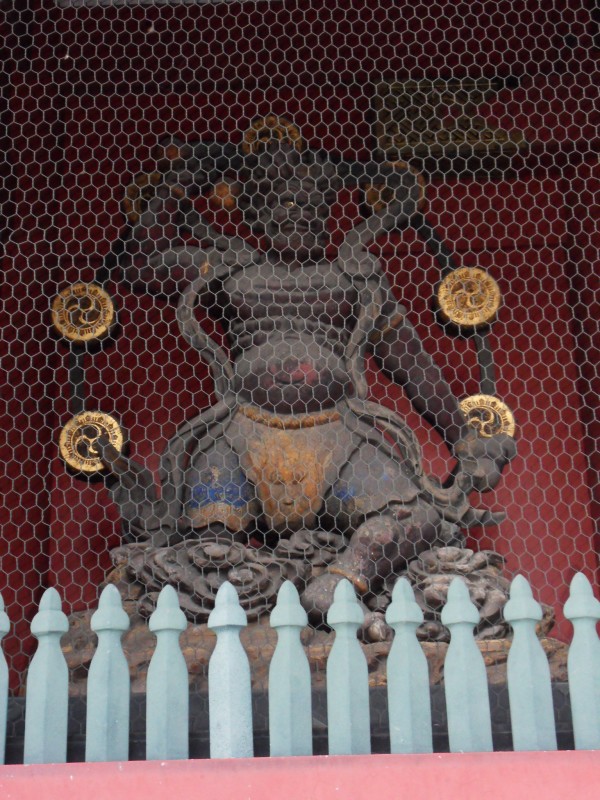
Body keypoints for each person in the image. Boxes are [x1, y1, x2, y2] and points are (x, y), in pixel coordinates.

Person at [102, 133, 515, 625]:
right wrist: (183, 180)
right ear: (254, 215)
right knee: (204, 543)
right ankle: (233, 601)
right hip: (240, 435)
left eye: (310, 206)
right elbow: (138, 264)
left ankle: (340, 580)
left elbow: (411, 362)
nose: (296, 213)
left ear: (328, 214)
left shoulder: (356, 278)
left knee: (418, 516)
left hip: (339, 435)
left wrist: (465, 437)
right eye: (279, 205)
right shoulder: (227, 270)